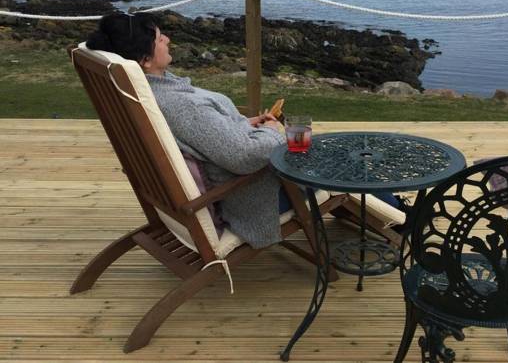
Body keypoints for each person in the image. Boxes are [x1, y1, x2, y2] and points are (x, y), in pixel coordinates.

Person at [86, 12, 401, 249]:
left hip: (242, 168)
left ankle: (380, 207)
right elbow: (242, 157)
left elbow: (211, 138)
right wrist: (275, 131)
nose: (167, 39)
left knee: (321, 148)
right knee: (335, 157)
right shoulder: (180, 106)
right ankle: (401, 216)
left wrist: (243, 124)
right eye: (158, 39)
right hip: (254, 196)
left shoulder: (152, 93)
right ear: (144, 60)